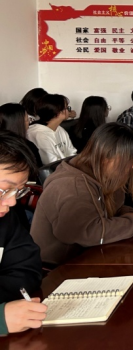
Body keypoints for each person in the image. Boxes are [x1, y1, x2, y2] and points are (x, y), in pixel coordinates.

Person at [30, 123, 133, 266]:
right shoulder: (72, 186)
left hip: (92, 255)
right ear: (107, 156)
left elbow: (115, 209)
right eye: (130, 160)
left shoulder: (103, 172)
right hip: (59, 267)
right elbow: (89, 232)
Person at [0, 131, 46, 335]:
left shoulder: (5, 219)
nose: (11, 202)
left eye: (18, 191)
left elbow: (28, 270)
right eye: (4, 190)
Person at [25, 94, 77, 165]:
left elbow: (72, 152)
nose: (69, 111)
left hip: (66, 167)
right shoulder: (38, 134)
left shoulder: (60, 129)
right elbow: (50, 163)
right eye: (66, 108)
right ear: (58, 113)